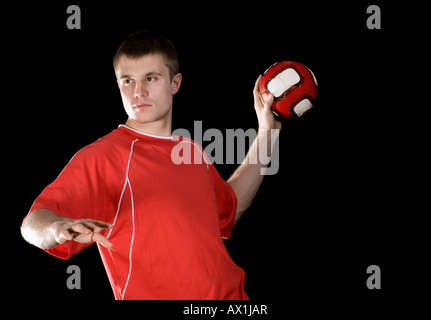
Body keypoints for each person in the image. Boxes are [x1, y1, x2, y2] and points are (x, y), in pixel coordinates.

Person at [21, 30, 281, 300]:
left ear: (175, 83)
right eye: (127, 81)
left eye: (151, 78)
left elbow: (229, 209)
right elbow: (32, 223)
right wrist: (54, 228)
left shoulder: (189, 150)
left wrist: (267, 132)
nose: (138, 92)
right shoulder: (103, 156)